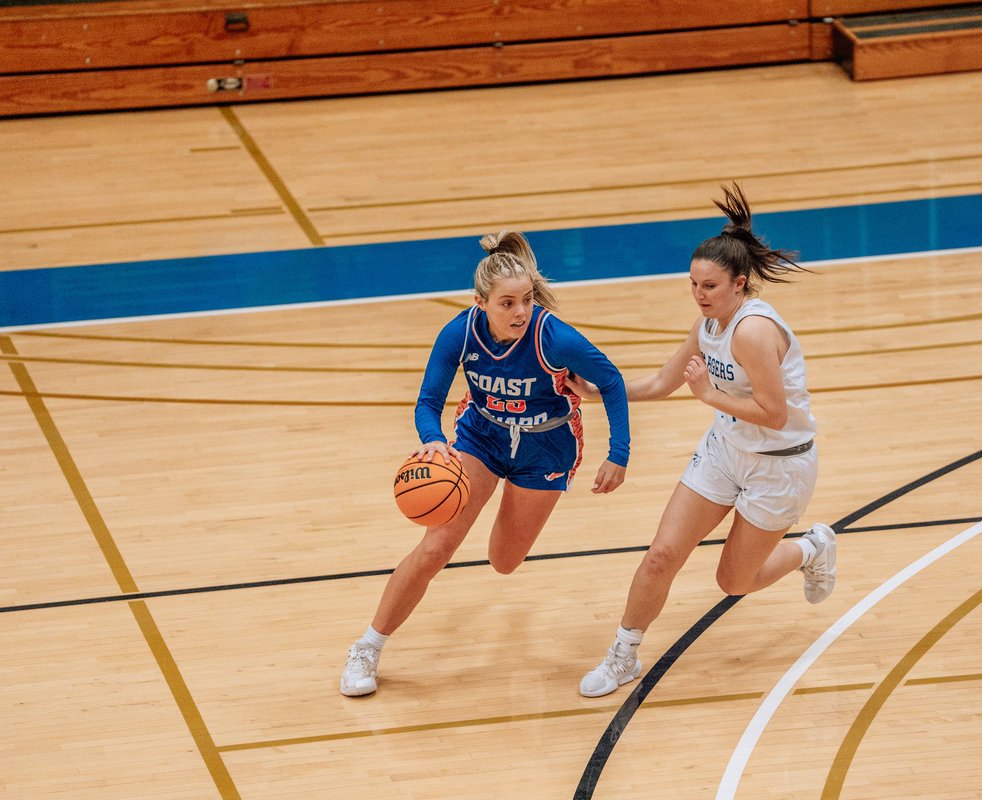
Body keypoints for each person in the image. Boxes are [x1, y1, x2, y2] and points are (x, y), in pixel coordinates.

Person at [570, 183, 837, 699]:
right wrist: (597, 394)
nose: (699, 294)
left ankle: (811, 548)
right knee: (661, 554)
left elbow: (775, 414)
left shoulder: (752, 332)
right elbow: (660, 382)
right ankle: (623, 655)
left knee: (734, 582)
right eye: (693, 284)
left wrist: (709, 395)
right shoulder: (708, 324)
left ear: (740, 284)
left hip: (780, 465)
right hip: (725, 451)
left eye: (710, 286)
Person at [340, 231, 631, 697]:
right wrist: (434, 442)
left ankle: (504, 516)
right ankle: (366, 648)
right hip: (482, 436)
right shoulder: (460, 332)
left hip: (546, 446)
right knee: (436, 547)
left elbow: (611, 381)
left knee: (504, 561)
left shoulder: (553, 336)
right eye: (507, 303)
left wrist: (619, 454)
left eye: (527, 300)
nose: (521, 312)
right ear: (481, 303)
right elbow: (427, 401)